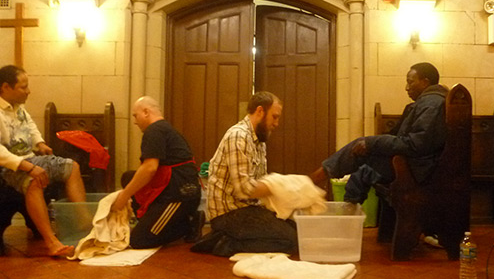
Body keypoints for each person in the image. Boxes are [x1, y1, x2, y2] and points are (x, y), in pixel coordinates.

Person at [310, 62, 448, 202]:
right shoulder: (428, 102)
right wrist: (374, 144)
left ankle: (313, 180)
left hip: (419, 169)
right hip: (415, 163)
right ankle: (349, 212)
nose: (407, 88)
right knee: (362, 166)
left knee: (360, 147)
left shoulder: (432, 103)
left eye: (410, 82)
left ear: (425, 82)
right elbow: (401, 138)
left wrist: (372, 143)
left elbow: (416, 144)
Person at [191, 91, 297, 257]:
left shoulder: (259, 141)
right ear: (260, 111)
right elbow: (244, 190)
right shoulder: (238, 136)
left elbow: (258, 184)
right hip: (228, 214)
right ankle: (224, 243)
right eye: (274, 117)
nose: (276, 123)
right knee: (289, 241)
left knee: (295, 229)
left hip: (246, 209)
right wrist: (279, 186)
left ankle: (231, 237)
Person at [0, 65, 86, 257]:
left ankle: (85, 226)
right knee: (34, 182)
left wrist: (40, 143)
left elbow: (30, 126)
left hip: (30, 159)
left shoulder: (18, 108)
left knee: (72, 167)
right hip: (8, 168)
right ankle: (52, 242)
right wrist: (29, 167)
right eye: (23, 87)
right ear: (5, 87)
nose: (28, 91)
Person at [111, 96, 202, 249]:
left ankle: (188, 224)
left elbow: (150, 168)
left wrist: (124, 196)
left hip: (178, 196)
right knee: (129, 177)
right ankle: (157, 221)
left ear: (146, 112)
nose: (134, 121)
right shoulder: (165, 129)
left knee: (139, 240)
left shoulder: (154, 130)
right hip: (182, 190)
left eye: (135, 115)